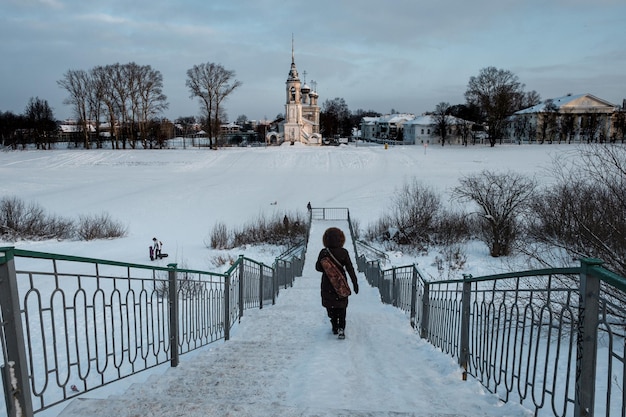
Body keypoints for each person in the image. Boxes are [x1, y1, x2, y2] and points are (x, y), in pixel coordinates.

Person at [315, 227, 359, 339]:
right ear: (341, 239)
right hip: (340, 284)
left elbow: (318, 268)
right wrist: (355, 283)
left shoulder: (324, 252)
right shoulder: (344, 252)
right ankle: (341, 328)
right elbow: (350, 268)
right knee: (342, 306)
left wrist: (328, 267)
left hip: (327, 283)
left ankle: (334, 325)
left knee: (331, 306)